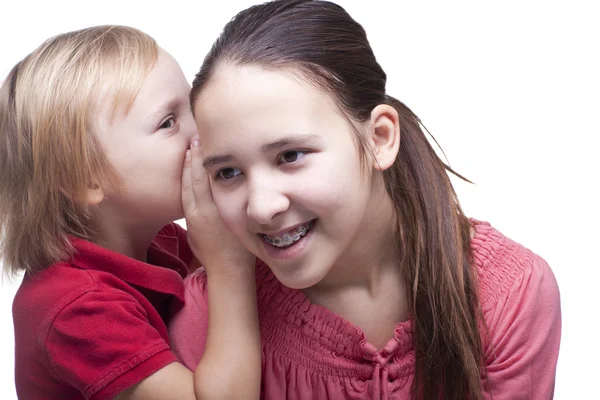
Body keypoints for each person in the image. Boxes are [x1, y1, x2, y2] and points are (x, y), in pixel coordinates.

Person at [169, 0, 562, 399]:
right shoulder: (208, 318)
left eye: (290, 156)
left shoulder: (508, 291)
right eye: (228, 173)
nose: (261, 207)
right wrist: (228, 278)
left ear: (379, 138)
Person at [0, 25, 261, 400]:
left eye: (192, 105)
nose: (202, 130)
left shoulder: (160, 237)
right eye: (168, 122)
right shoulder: (76, 307)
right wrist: (229, 268)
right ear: (84, 181)